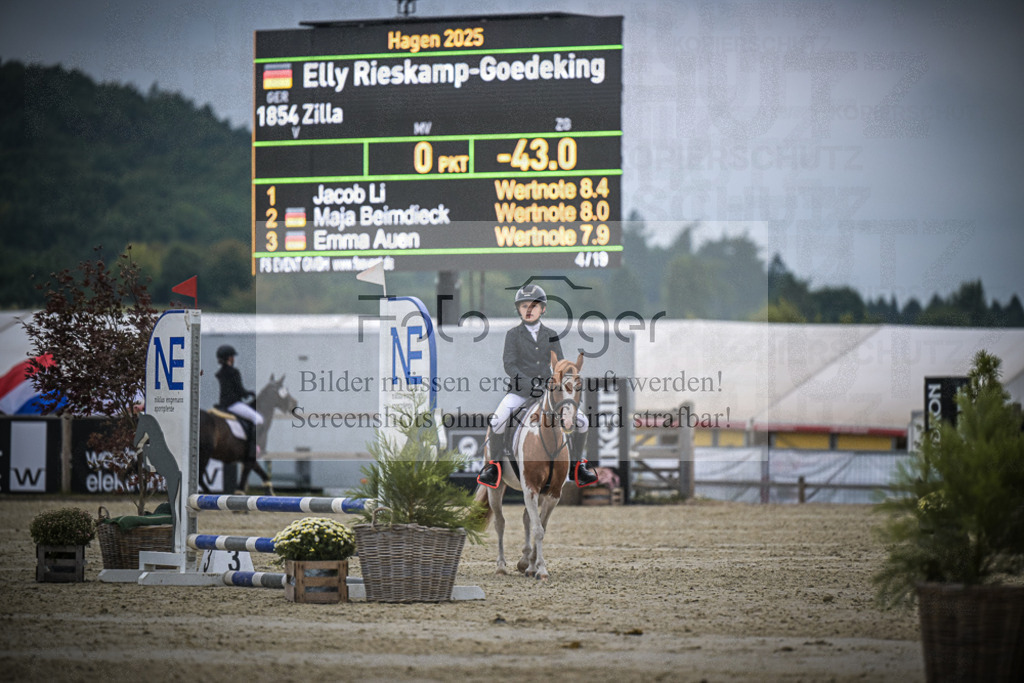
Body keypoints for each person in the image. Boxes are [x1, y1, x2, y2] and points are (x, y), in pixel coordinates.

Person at [477, 284, 598, 488]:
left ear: (543, 309)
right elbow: (510, 364)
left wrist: (558, 384)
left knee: (583, 421)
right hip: (519, 392)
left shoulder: (551, 334)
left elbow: (559, 365)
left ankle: (577, 466)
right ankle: (494, 467)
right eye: (524, 306)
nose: (529, 309)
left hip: (549, 394)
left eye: (534, 305)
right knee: (497, 421)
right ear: (519, 309)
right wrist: (529, 384)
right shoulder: (513, 335)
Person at [215, 344, 263, 461]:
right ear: (229, 358)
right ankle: (252, 450)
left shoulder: (220, 372)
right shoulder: (234, 372)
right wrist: (249, 393)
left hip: (223, 404)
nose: (233, 358)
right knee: (258, 419)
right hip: (233, 404)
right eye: (232, 356)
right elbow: (240, 390)